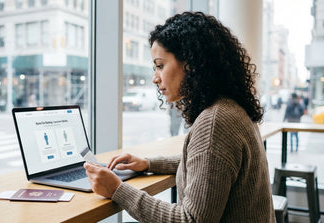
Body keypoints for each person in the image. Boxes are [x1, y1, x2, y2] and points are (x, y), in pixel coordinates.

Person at [84, 11, 275, 222]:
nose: (155, 78)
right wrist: (148, 163)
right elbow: (206, 166)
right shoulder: (229, 108)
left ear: (191, 62)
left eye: (160, 65)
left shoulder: (215, 123)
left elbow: (190, 220)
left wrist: (118, 190)